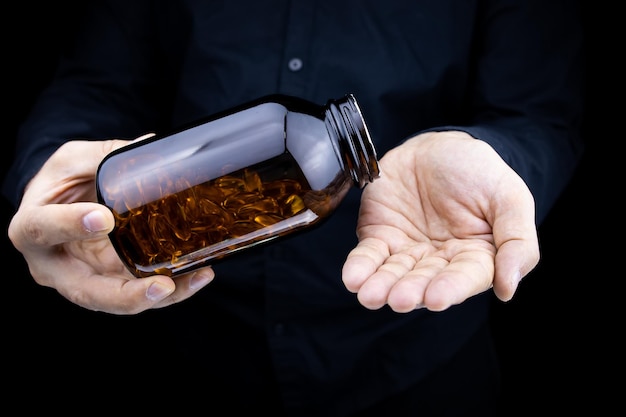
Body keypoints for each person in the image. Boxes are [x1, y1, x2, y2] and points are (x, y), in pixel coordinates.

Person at [3, 1, 584, 415]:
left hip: (410, 365)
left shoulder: (318, 170)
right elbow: (99, 81)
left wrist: (496, 156)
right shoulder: (295, 128)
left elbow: (538, 113)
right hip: (191, 352)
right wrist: (52, 176)